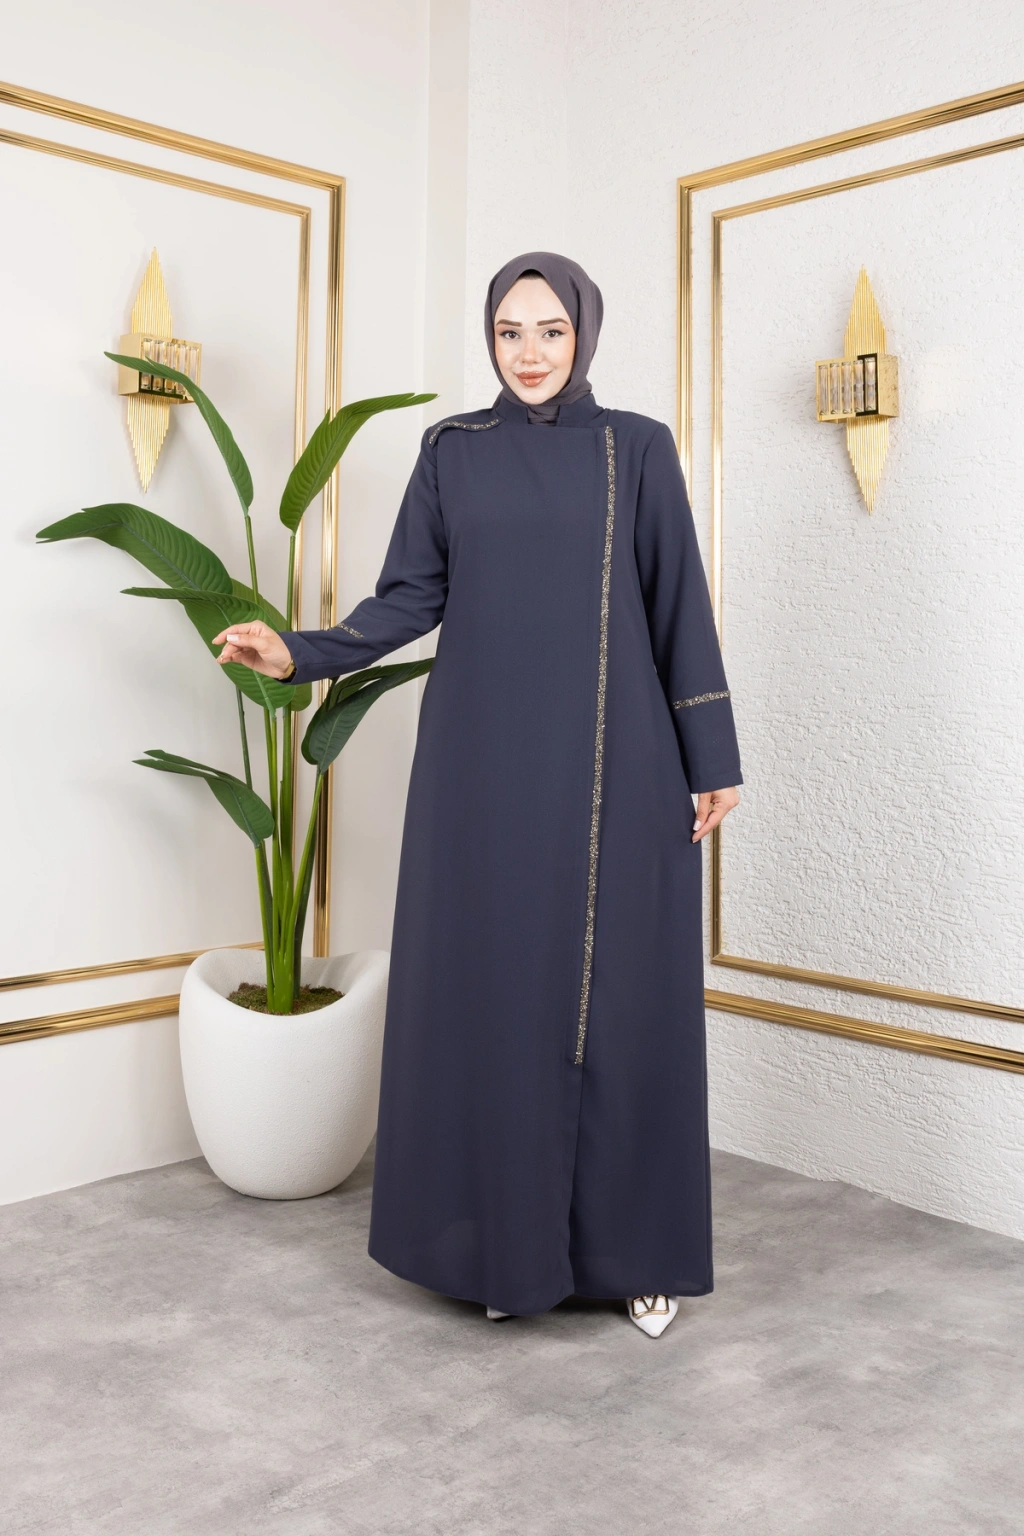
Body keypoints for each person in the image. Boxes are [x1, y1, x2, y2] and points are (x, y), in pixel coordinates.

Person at [214, 252, 742, 1339]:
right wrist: (299, 653)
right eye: (510, 332)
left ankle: (639, 1258)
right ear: (489, 339)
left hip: (621, 766)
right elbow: (408, 597)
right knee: (497, 1001)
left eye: (550, 331)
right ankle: (508, 1253)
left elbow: (677, 603)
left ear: (583, 333)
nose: (530, 353)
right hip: (482, 771)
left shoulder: (636, 447)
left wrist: (712, 758)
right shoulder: (451, 451)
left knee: (624, 1007)